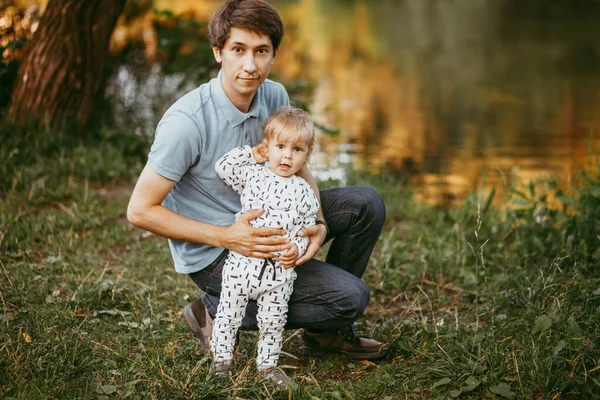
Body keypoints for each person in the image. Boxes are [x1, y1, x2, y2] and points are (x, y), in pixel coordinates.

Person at [127, 0, 387, 379]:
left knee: (366, 203)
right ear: (218, 52)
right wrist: (228, 237)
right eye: (238, 50)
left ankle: (325, 334)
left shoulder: (274, 96)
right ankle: (212, 308)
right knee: (350, 298)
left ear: (273, 54)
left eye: (261, 51)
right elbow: (139, 210)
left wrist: (317, 223)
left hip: (278, 219)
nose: (250, 65)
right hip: (217, 250)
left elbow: (299, 165)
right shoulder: (186, 122)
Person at [212, 107, 319, 385]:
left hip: (278, 274)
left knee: (273, 322)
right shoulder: (253, 176)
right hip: (242, 265)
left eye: (296, 149)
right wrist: (254, 153)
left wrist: (297, 247)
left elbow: (306, 229)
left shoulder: (305, 192)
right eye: (280, 146)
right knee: (228, 315)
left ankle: (268, 366)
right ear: (268, 147)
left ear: (307, 154)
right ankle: (221, 361)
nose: (286, 155)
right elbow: (224, 167)